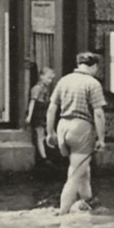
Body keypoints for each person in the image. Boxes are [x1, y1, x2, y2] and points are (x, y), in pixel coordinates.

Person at [46, 52, 107, 215]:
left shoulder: (63, 80)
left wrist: (49, 132)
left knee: (82, 170)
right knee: (74, 174)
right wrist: (101, 138)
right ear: (94, 66)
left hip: (62, 126)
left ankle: (87, 202)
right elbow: (99, 113)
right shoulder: (93, 84)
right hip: (81, 128)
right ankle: (62, 212)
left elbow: (52, 108)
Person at [27, 67, 57, 167]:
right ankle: (43, 157)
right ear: (41, 76)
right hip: (39, 113)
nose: (50, 81)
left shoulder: (44, 88)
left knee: (44, 135)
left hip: (44, 113)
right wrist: (29, 116)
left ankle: (46, 155)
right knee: (40, 135)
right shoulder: (37, 88)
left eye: (51, 79)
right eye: (48, 78)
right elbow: (33, 101)